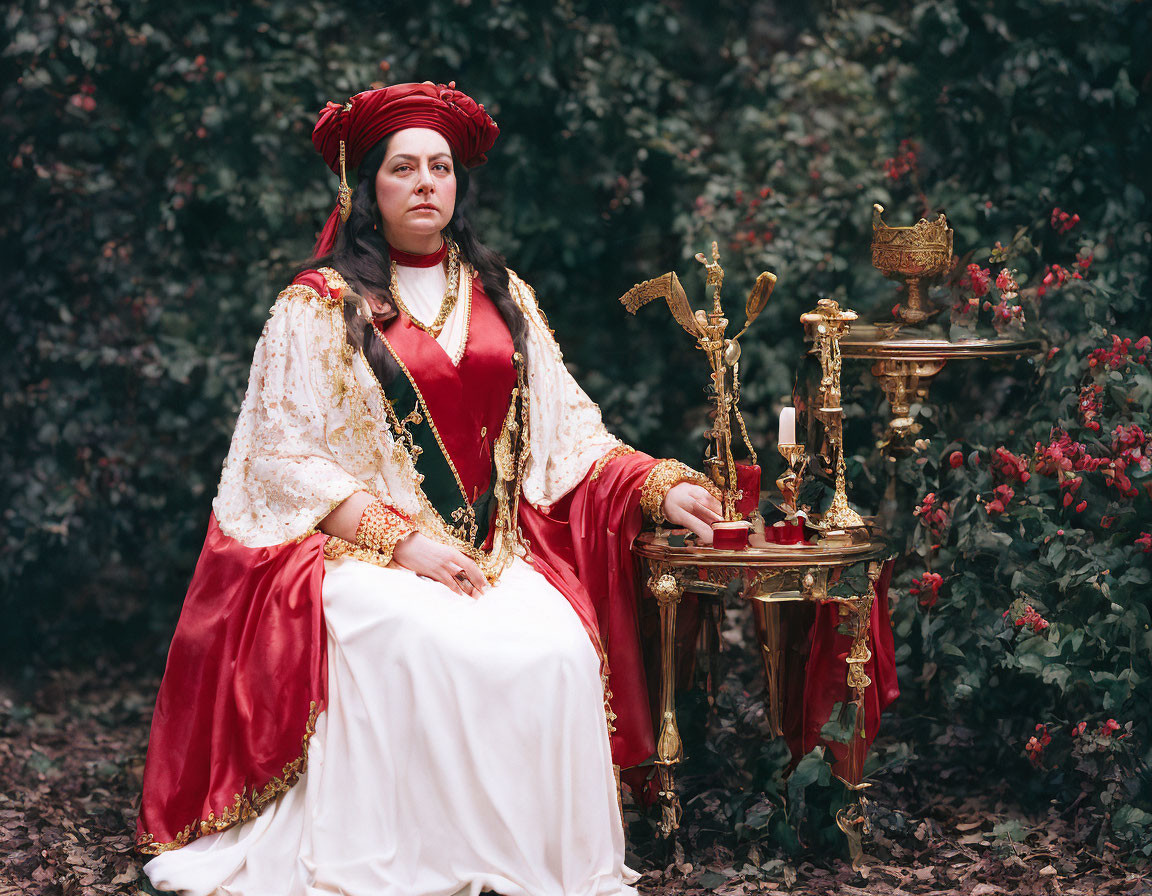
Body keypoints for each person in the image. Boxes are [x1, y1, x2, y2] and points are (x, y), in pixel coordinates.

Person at [136, 81, 724, 896]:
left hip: (489, 553)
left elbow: (569, 434)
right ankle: (418, 864)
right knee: (425, 643)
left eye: (440, 168)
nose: (424, 183)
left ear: (457, 184)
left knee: (555, 650)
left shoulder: (504, 296)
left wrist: (656, 487)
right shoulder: (317, 309)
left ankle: (529, 866)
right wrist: (400, 541)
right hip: (359, 555)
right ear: (367, 189)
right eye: (403, 168)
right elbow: (278, 457)